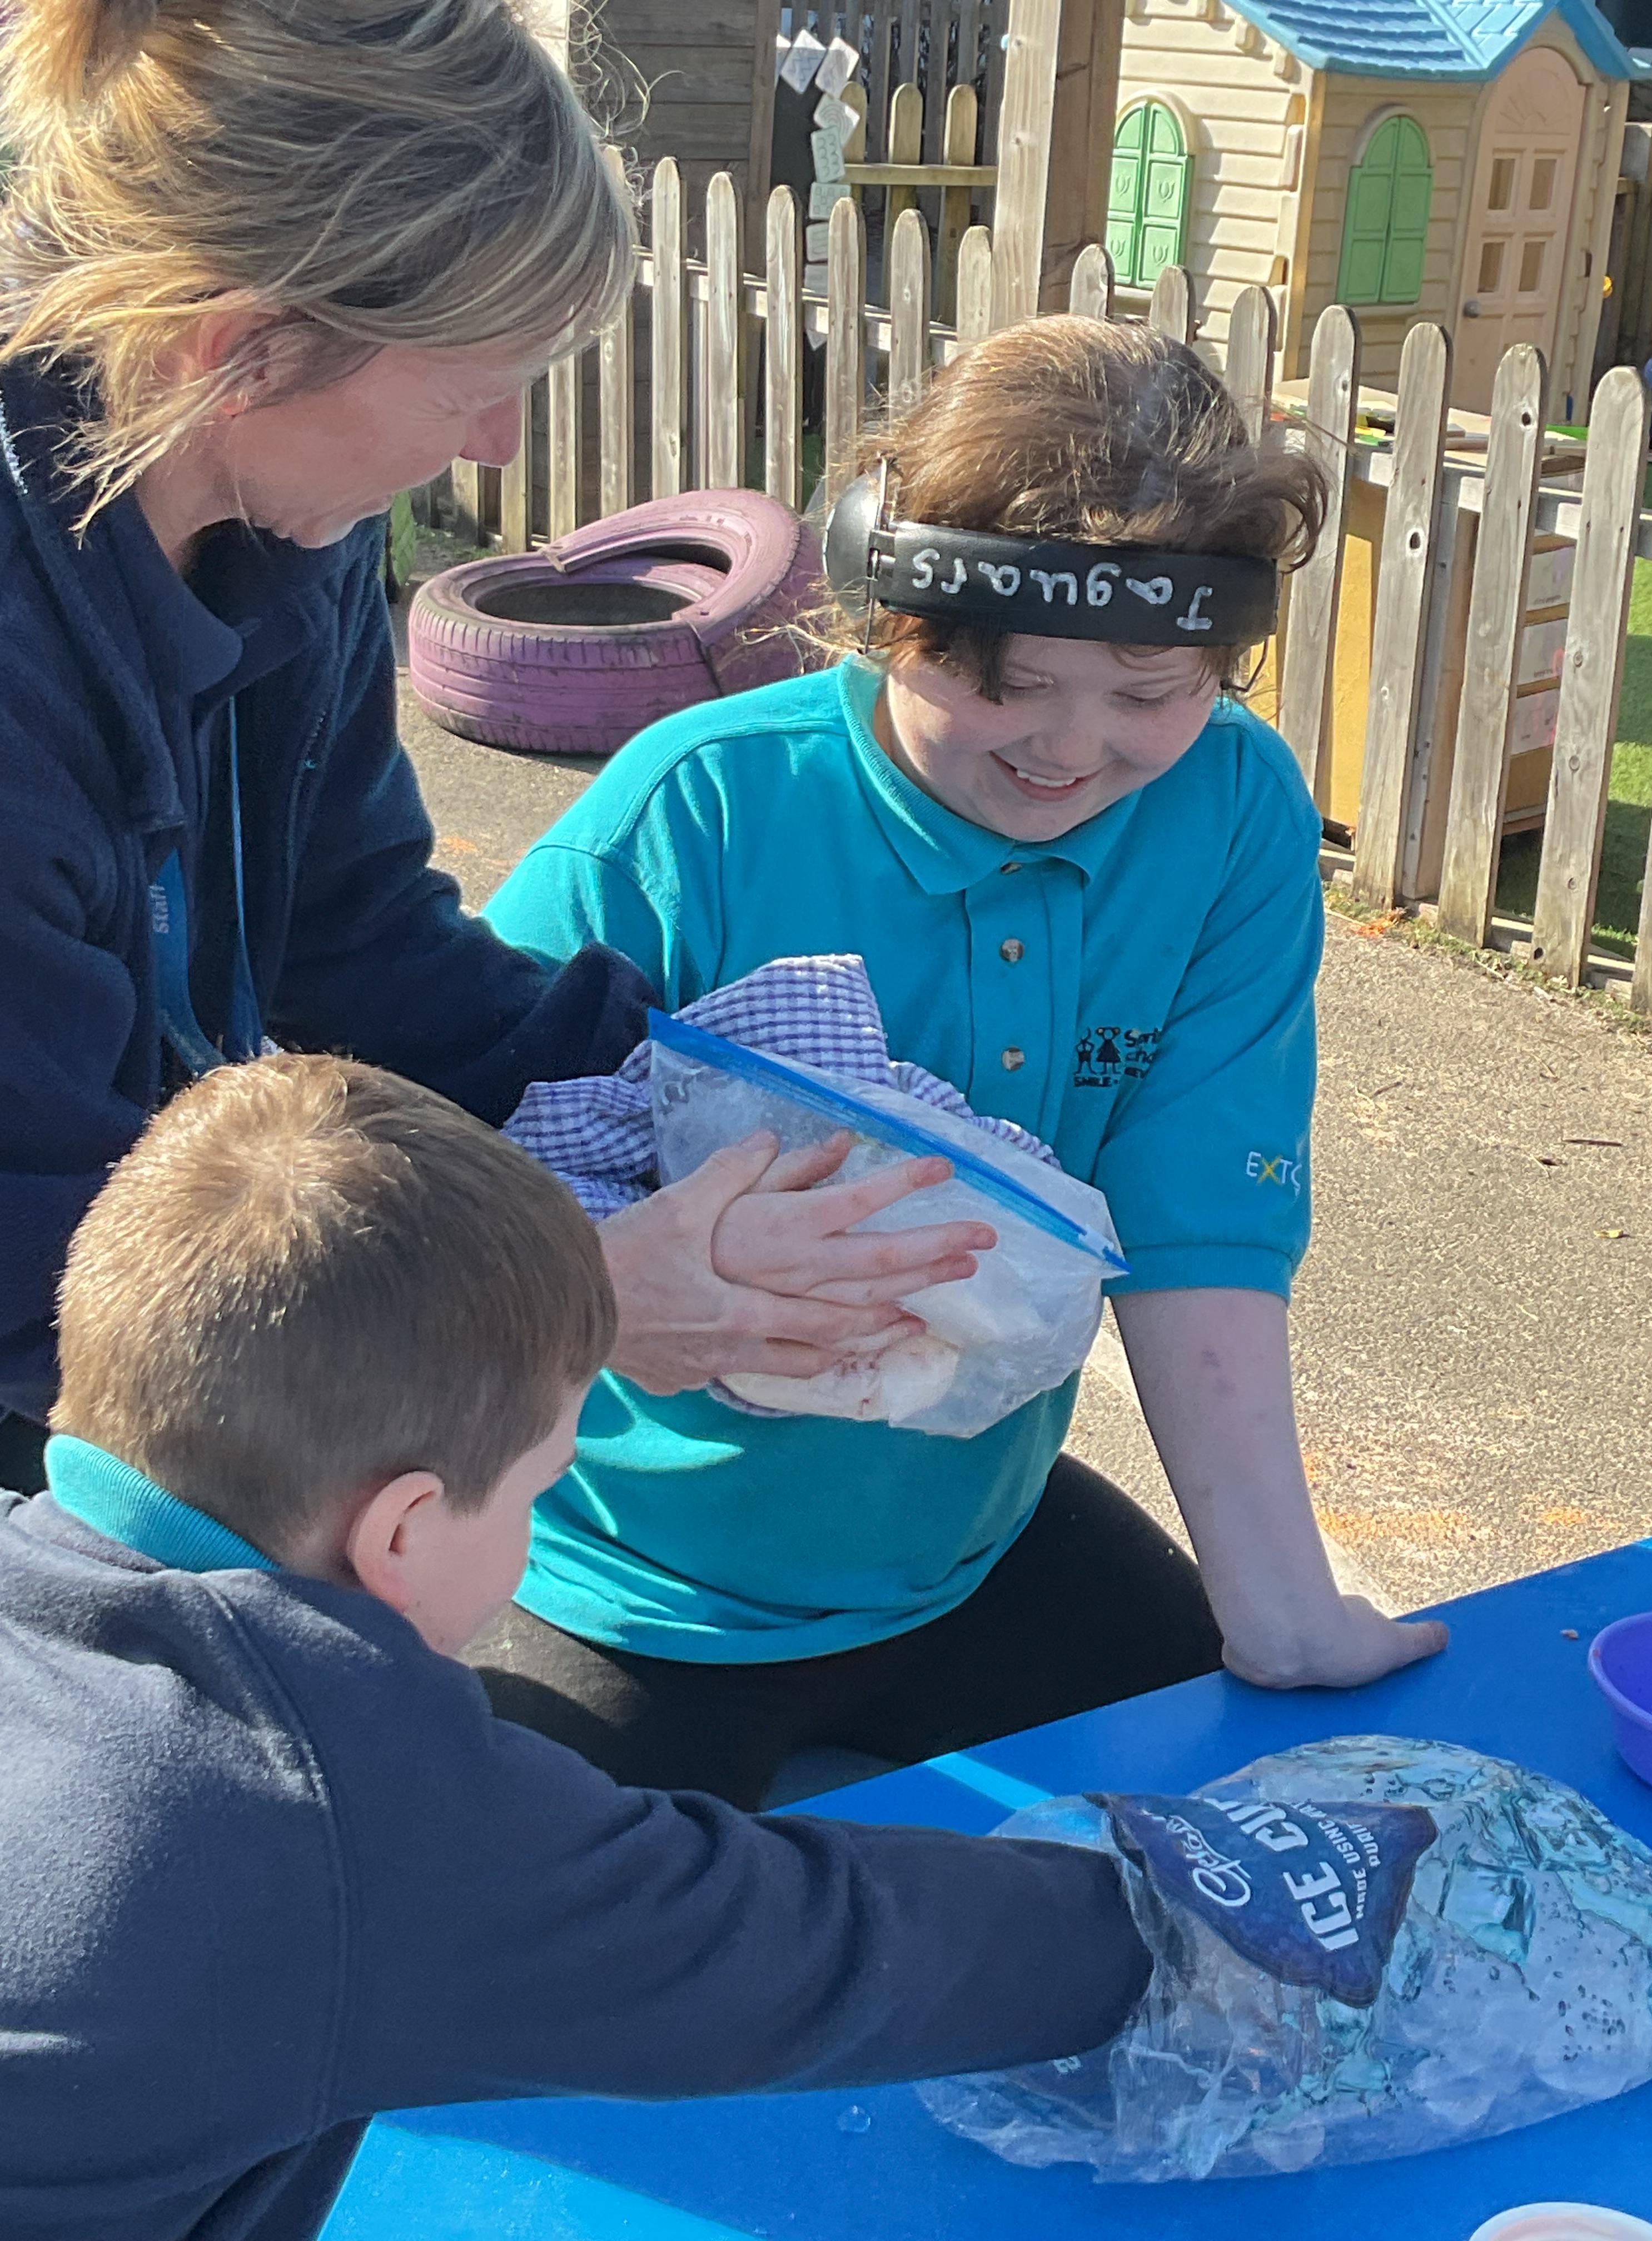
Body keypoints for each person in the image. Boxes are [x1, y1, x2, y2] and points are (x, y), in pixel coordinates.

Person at [0, 0, 979, 1495]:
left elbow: (356, 939)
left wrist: (706, 1106)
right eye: (468, 392)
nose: (499, 448)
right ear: (243, 351)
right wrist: (564, 1298)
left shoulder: (285, 515)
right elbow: (38, 1269)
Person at [471, 317, 1452, 1807]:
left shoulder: (1232, 805)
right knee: (533, 1937)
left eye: (1149, 695)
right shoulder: (694, 813)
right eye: (1012, 682)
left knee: (1280, 1819)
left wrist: (1281, 1606)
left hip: (971, 1551)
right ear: (889, 621)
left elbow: (1201, 1226)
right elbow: (421, 1200)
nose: (1071, 750)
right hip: (626, 1580)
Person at [0, 1051, 1155, 2241]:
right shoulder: (331, 1804)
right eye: (537, 1487)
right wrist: (1179, 1911)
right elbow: (793, 1952)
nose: (533, 1520)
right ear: (399, 1531)